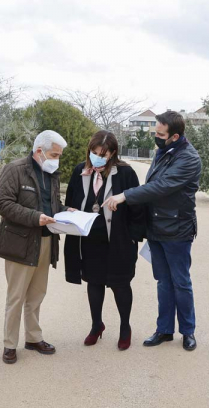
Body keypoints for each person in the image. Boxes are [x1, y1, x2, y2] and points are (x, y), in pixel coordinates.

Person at [103, 110, 201, 351]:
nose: (155, 137)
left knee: (181, 282)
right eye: (155, 132)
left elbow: (160, 187)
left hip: (177, 229)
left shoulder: (188, 158)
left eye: (160, 134)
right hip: (156, 228)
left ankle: (187, 331)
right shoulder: (162, 152)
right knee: (163, 282)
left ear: (175, 136)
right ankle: (164, 329)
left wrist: (125, 195)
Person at [64, 131, 146, 350]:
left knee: (120, 285)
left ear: (112, 153)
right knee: (94, 282)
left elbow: (138, 206)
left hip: (119, 240)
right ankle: (96, 325)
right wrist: (69, 210)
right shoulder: (80, 171)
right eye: (93, 152)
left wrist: (132, 237)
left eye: (102, 153)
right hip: (90, 240)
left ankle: (125, 327)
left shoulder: (125, 173)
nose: (97, 157)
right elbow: (71, 199)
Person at [0, 130, 70, 364]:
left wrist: (67, 211)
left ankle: (33, 337)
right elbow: (3, 204)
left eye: (59, 155)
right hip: (20, 242)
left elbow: (52, 203)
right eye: (54, 154)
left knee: (37, 294)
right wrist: (34, 217)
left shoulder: (52, 173)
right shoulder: (15, 169)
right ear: (39, 151)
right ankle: (9, 344)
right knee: (16, 296)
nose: (57, 159)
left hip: (47, 240)